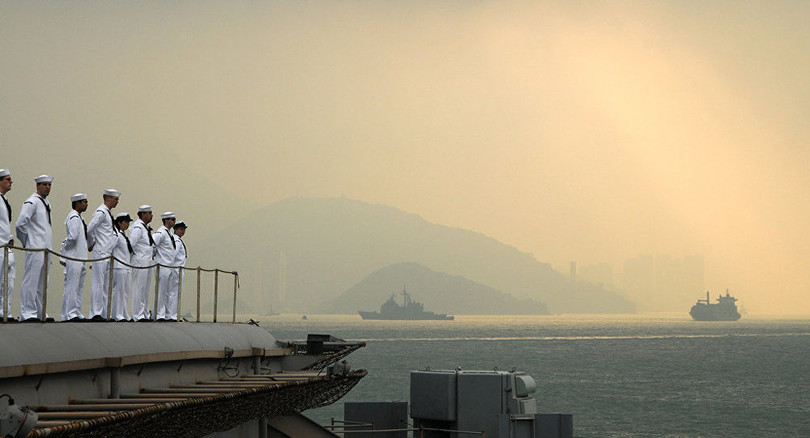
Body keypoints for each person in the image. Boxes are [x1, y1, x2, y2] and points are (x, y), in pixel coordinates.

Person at [15, 174, 54, 322]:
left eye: (49, 185)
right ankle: (27, 312)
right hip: (35, 247)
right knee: (31, 280)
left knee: (42, 283)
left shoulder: (46, 203)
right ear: (37, 186)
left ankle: (40, 312)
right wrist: (28, 242)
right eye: (44, 184)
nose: (47, 187)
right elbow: (20, 224)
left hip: (45, 249)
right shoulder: (32, 202)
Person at [86, 189, 120, 321]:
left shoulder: (108, 213)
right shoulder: (101, 212)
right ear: (107, 198)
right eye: (115, 199)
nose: (117, 201)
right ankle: (96, 312)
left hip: (107, 253)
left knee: (105, 285)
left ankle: (104, 312)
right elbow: (90, 229)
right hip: (100, 252)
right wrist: (91, 244)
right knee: (98, 284)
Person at [60, 193, 90, 322]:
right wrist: (64, 248)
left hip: (81, 256)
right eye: (84, 202)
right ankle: (69, 313)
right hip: (74, 257)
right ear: (77, 203)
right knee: (72, 285)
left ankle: (76, 311)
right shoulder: (73, 217)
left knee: (79, 286)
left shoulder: (79, 218)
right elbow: (72, 237)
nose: (86, 204)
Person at [129, 205, 155, 321]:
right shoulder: (138, 228)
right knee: (138, 288)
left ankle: (144, 313)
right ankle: (137, 315)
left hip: (147, 262)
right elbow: (131, 244)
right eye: (149, 213)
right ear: (143, 214)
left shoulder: (146, 228)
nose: (151, 215)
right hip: (139, 262)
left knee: (145, 289)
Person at [153, 212, 176, 321]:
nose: (174, 221)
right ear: (166, 220)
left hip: (169, 266)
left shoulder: (169, 234)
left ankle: (167, 314)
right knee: (161, 291)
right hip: (162, 266)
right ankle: (159, 314)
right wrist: (155, 256)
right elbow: (152, 244)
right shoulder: (161, 233)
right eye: (172, 219)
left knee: (168, 292)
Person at [111, 213, 133, 321]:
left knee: (125, 291)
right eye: (125, 222)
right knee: (118, 291)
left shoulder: (125, 235)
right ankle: (117, 314)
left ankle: (124, 313)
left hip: (126, 266)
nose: (127, 224)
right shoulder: (116, 235)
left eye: (128, 222)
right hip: (119, 266)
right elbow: (110, 248)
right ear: (119, 222)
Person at [0, 169, 15, 321]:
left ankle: (5, 311)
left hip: (6, 246)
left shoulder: (3, 200)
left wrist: (9, 237)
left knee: (8, 279)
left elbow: (3, 224)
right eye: (8, 179)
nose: (11, 182)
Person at [168, 220, 188, 321]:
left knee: (175, 293)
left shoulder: (177, 240)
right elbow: (173, 255)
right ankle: (172, 315)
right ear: (175, 230)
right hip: (176, 270)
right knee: (174, 293)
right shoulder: (176, 240)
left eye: (184, 229)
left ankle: (172, 314)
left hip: (178, 269)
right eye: (180, 229)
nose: (182, 231)